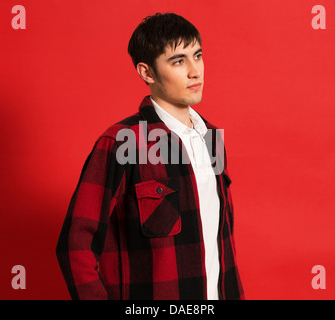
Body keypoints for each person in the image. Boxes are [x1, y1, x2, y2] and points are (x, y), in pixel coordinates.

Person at [56, 12, 244, 300]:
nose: (195, 71)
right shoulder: (122, 143)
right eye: (179, 61)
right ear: (147, 73)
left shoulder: (211, 138)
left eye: (198, 55)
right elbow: (75, 245)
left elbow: (221, 242)